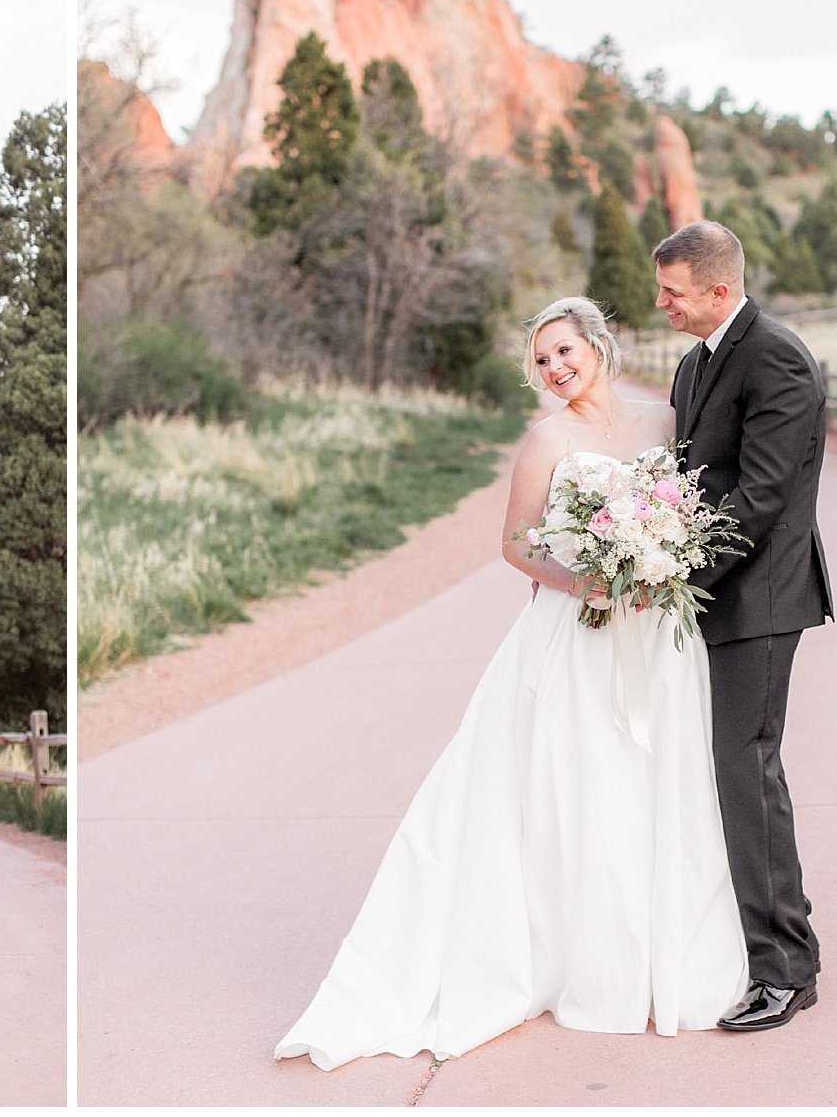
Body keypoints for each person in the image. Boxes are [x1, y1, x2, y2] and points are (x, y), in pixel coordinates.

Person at [274, 295, 747, 1070]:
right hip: (580, 631)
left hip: (659, 633)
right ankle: (586, 959)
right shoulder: (546, 440)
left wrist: (663, 557)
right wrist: (584, 581)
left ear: (597, 345)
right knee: (585, 784)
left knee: (665, 778)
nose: (555, 368)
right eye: (541, 360)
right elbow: (518, 544)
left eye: (564, 351)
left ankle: (672, 951)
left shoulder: (665, 421)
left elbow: (689, 508)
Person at [653, 221, 830, 1032]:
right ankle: (755, 941)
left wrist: (677, 580)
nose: (662, 305)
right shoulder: (694, 364)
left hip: (759, 598)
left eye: (673, 293)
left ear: (719, 290)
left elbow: (759, 497)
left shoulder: (777, 357)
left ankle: (786, 969)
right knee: (725, 768)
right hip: (714, 593)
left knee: (747, 770)